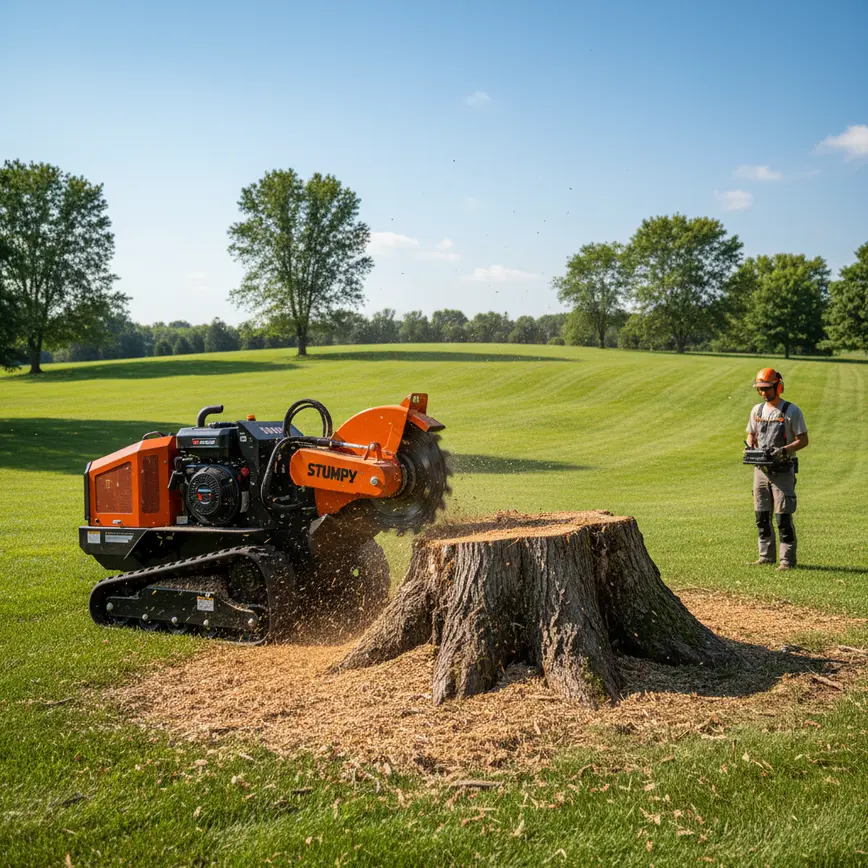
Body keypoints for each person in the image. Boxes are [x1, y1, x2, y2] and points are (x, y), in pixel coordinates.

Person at [744, 368, 809, 570]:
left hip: (783, 471)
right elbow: (750, 435)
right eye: (760, 390)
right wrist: (750, 447)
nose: (763, 393)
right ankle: (765, 556)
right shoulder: (757, 411)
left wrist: (783, 450)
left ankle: (787, 560)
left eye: (766, 389)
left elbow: (803, 440)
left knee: (782, 517)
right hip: (761, 471)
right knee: (761, 516)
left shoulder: (792, 411)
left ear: (777, 386)